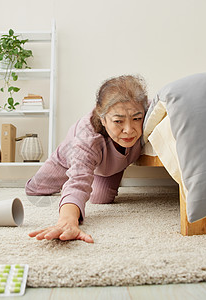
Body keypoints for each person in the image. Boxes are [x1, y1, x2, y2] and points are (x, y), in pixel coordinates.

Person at [26, 75, 148, 243]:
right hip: (69, 157)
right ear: (103, 119)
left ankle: (85, 172)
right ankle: (73, 175)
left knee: (101, 199)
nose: (129, 129)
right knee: (35, 190)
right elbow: (78, 183)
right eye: (118, 121)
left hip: (107, 164)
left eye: (136, 119)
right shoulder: (87, 138)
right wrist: (68, 221)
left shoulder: (148, 114)